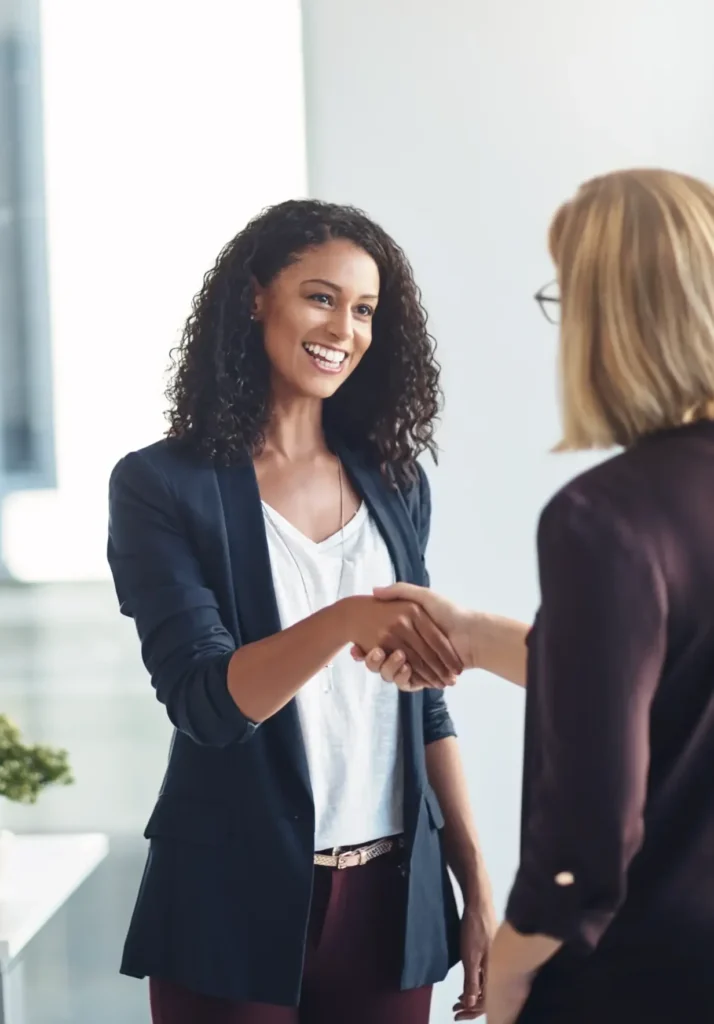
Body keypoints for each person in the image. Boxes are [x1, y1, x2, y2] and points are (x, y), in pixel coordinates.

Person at [107, 199, 496, 1024]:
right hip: (227, 901)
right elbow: (209, 704)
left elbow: (423, 702)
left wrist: (474, 884)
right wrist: (346, 620)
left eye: (364, 310)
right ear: (255, 297)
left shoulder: (395, 483)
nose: (344, 328)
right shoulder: (160, 486)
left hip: (393, 902)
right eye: (320, 297)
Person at [357, 169, 714, 1022]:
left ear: (607, 313)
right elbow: (677, 687)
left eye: (565, 298)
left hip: (641, 978)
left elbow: (589, 845)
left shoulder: (604, 517)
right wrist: (477, 640)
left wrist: (513, 966)